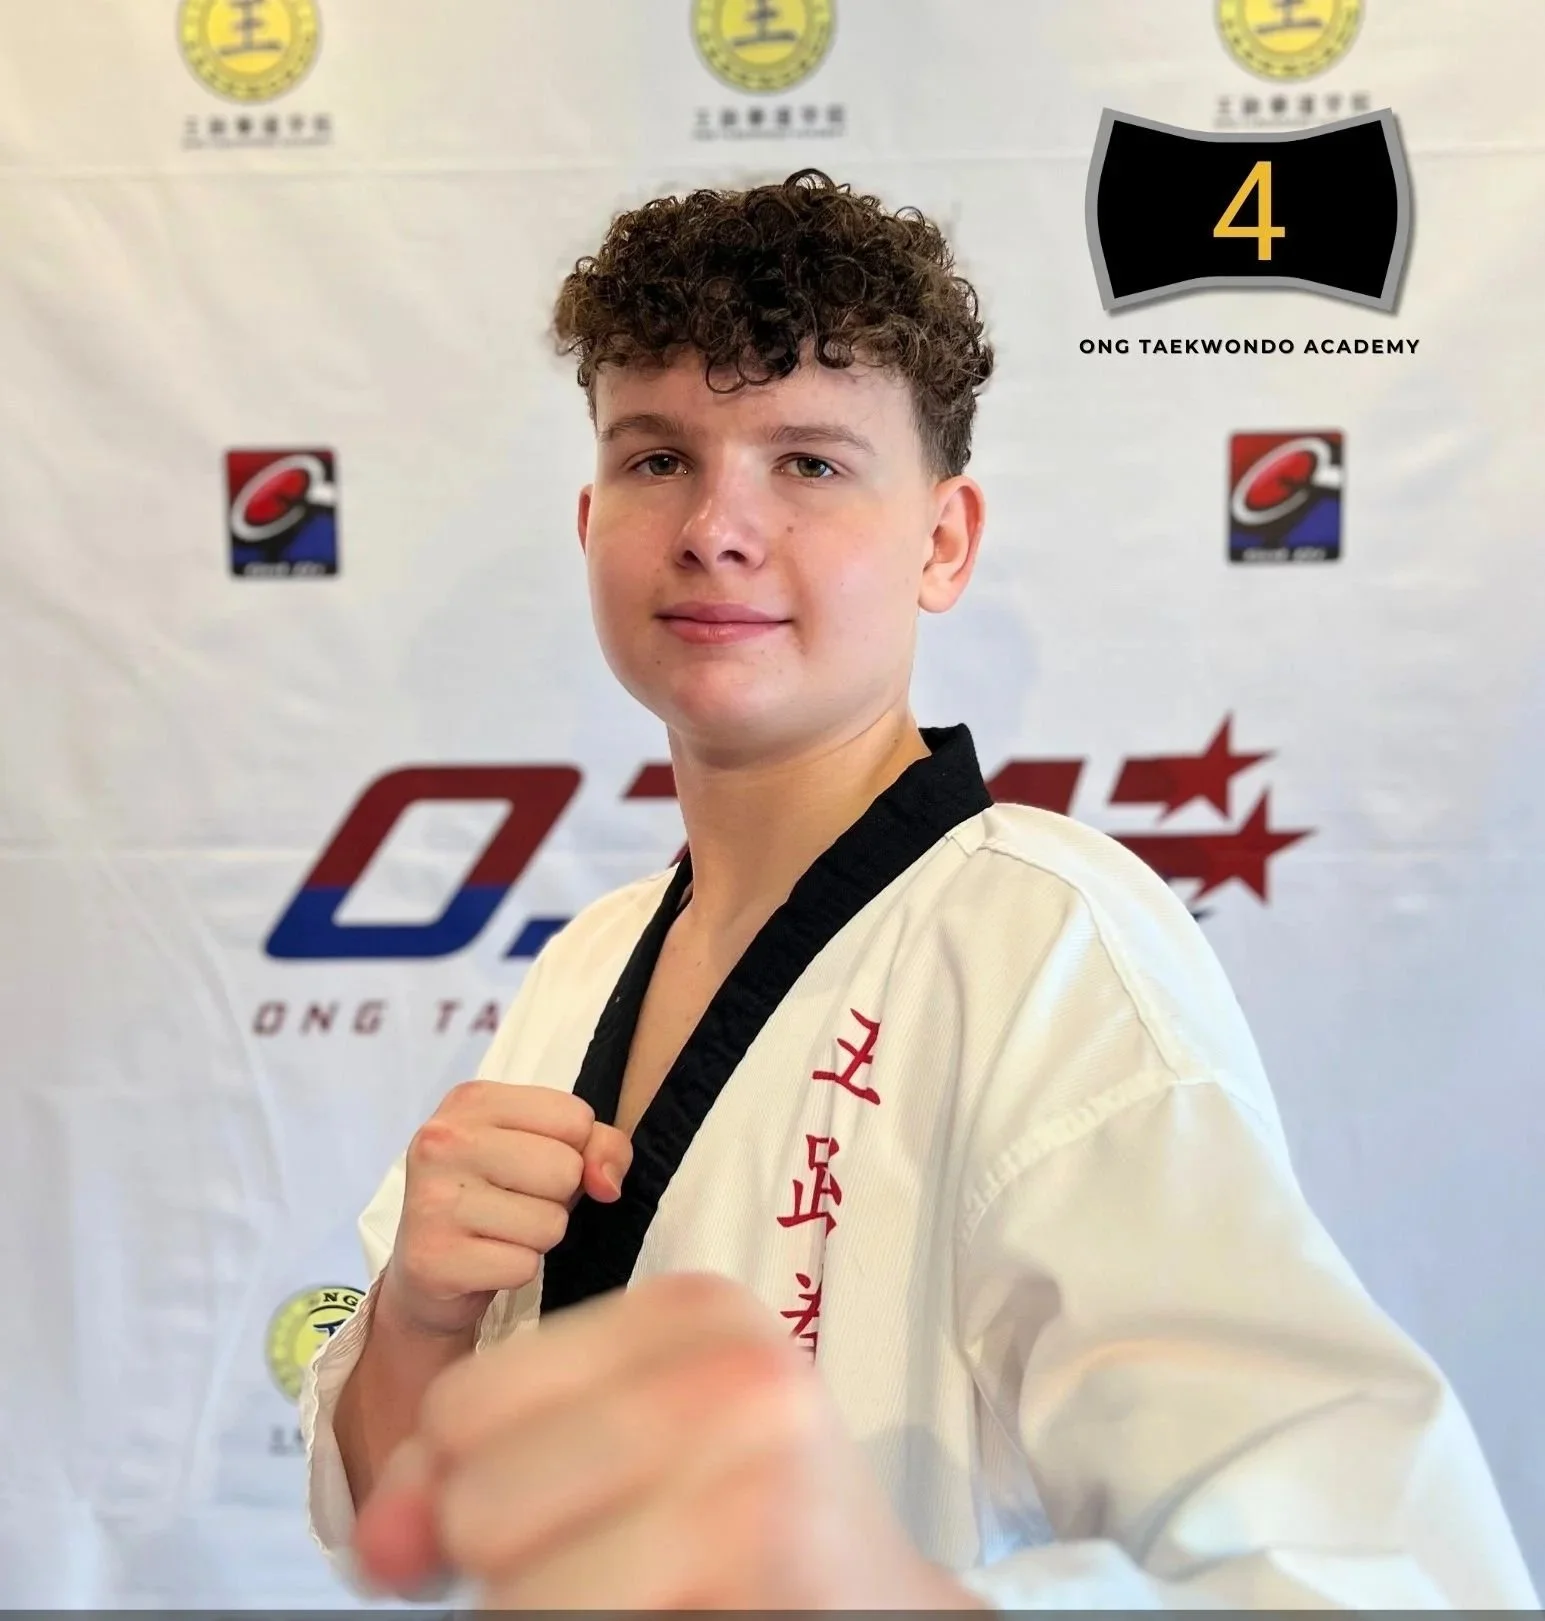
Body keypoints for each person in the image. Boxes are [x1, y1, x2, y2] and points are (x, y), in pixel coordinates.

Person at [300, 168, 1538, 1609]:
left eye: (809, 464)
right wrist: (419, 1321)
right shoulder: (584, 965)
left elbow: (1383, 1574)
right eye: (659, 459)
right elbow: (410, 1520)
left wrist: (888, 1596)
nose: (716, 525)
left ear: (943, 540)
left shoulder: (1040, 944)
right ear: (590, 517)